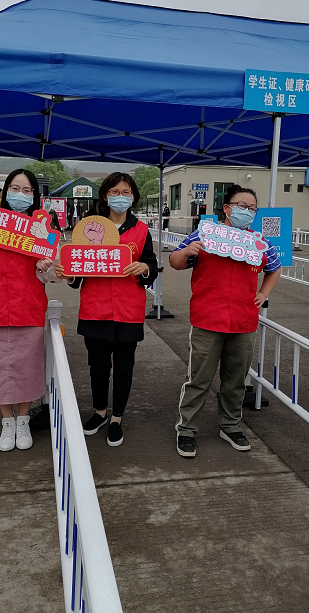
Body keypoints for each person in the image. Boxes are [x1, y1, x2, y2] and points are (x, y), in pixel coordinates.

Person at [170, 184, 281, 458]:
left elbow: (275, 268)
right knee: (199, 379)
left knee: (236, 380)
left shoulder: (259, 242)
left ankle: (230, 425)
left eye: (252, 208)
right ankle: (186, 430)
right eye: (242, 206)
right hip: (207, 319)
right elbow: (175, 261)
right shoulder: (205, 234)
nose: (247, 211)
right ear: (227, 208)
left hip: (243, 321)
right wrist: (187, 250)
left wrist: (263, 293)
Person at [56, 172, 158, 447]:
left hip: (128, 311)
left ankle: (117, 418)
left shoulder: (142, 230)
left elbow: (152, 265)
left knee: (124, 368)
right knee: (98, 368)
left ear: (133, 197)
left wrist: (144, 267)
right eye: (114, 192)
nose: (120, 197)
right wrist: (69, 274)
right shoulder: (89, 226)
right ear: (104, 195)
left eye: (126, 192)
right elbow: (78, 271)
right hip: (95, 310)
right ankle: (100, 412)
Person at [0, 169, 59, 452]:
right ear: (5, 192)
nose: (21, 195)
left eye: (27, 190)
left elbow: (50, 274)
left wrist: (44, 266)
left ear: (35, 196)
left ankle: (23, 420)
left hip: (28, 307)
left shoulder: (41, 230)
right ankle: (7, 421)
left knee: (27, 366)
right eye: (15, 189)